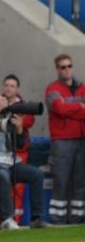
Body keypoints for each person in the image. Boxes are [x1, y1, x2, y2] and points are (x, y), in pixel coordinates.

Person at [0, 94, 52, 229]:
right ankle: (6, 219)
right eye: (1, 100)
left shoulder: (7, 118)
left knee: (36, 174)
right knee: (3, 175)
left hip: (9, 162)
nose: (4, 103)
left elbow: (19, 145)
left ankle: (37, 218)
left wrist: (19, 130)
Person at [45, 54, 85, 224]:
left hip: (81, 139)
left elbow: (65, 108)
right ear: (57, 69)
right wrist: (79, 106)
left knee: (80, 181)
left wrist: (70, 108)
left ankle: (77, 218)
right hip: (61, 141)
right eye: (62, 67)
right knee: (60, 180)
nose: (66, 69)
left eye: (69, 66)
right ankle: (58, 219)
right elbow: (58, 109)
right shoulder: (52, 89)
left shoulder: (82, 87)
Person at [1, 74, 35, 164]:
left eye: (12, 86)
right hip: (0, 147)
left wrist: (20, 119)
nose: (9, 88)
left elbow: (30, 121)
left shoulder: (24, 105)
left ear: (17, 89)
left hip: (19, 147)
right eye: (6, 85)